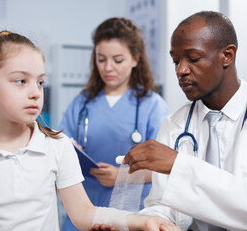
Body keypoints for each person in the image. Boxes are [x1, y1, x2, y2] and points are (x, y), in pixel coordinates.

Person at [0, 30, 179, 231]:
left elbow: (84, 213)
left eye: (41, 82)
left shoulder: (56, 146)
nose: (35, 92)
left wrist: (142, 221)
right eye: (21, 81)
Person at [123, 11, 247, 230]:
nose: (181, 70)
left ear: (227, 55)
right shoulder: (174, 124)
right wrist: (149, 221)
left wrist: (179, 164)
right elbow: (162, 205)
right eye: (176, 61)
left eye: (193, 58)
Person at [59, 17, 169, 231]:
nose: (108, 68)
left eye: (118, 60)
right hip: (82, 215)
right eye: (101, 59)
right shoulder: (81, 103)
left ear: (135, 59)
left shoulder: (153, 106)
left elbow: (165, 169)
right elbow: (61, 149)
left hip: (131, 215)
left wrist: (121, 176)